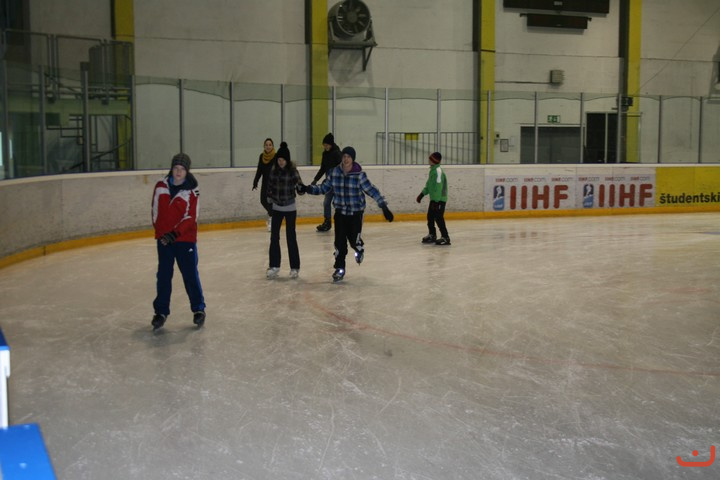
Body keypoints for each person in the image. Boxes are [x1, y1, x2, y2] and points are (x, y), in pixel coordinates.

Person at [302, 146, 394, 282]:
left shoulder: (359, 175)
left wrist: (384, 207)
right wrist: (307, 188)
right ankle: (340, 268)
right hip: (340, 213)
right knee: (339, 242)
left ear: (353, 159)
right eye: (344, 156)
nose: (346, 159)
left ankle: (359, 248)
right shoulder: (334, 173)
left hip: (355, 214)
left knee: (353, 240)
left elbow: (372, 190)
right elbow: (323, 188)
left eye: (349, 157)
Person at [151, 153, 206, 330]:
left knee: (190, 275)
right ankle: (161, 312)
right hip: (164, 241)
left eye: (182, 169)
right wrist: (161, 234)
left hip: (185, 240)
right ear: (171, 168)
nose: (178, 172)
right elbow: (155, 210)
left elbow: (191, 217)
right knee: (163, 276)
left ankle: (198, 309)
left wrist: (174, 234)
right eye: (176, 168)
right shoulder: (161, 186)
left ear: (187, 171)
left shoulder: (193, 190)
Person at [265, 142, 304, 279]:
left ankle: (295, 267)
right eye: (279, 159)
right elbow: (269, 186)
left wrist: (301, 189)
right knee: (274, 237)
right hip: (277, 208)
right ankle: (274, 266)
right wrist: (270, 197)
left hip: (290, 208)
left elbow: (300, 186)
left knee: (290, 237)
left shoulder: (293, 171)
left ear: (287, 160)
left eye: (283, 160)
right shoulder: (274, 171)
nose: (280, 162)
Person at [416, 151, 450, 245]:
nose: (429, 160)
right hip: (434, 199)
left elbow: (438, 187)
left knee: (439, 218)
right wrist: (422, 194)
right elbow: (429, 186)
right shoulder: (433, 171)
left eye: (430, 159)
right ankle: (432, 234)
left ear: (435, 160)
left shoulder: (438, 171)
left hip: (439, 200)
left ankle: (445, 237)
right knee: (430, 217)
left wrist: (436, 201)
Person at [311, 133, 342, 232]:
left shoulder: (337, 153)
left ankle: (342, 222)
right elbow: (323, 168)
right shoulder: (325, 154)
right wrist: (315, 179)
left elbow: (342, 168)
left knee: (339, 203)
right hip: (329, 184)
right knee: (326, 202)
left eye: (326, 145)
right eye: (324, 145)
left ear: (331, 144)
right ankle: (327, 222)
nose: (325, 147)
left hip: (338, 184)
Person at [252, 138, 275, 231]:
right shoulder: (262, 156)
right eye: (266, 145)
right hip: (265, 183)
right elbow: (259, 170)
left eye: (270, 145)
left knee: (270, 202)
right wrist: (255, 181)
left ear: (272, 146)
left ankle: (271, 220)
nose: (268, 146)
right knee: (263, 200)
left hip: (273, 183)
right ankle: (272, 214)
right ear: (264, 146)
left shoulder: (276, 157)